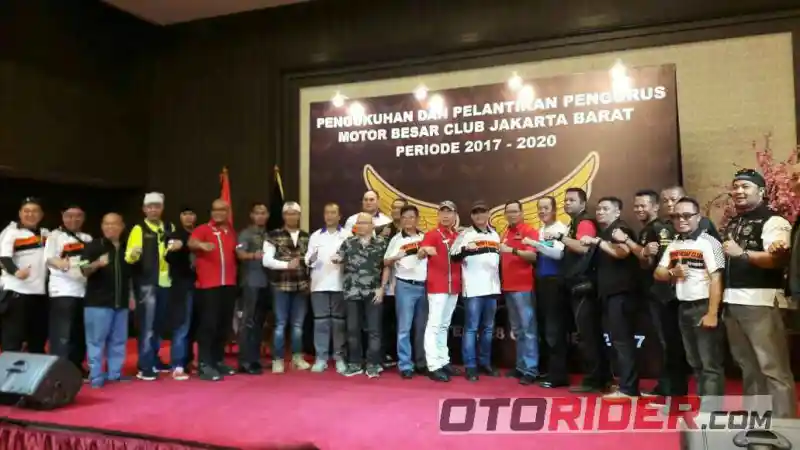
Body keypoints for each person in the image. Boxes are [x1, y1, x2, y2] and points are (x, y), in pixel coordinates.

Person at [721, 169, 795, 418]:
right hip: (732, 301)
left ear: (761, 191)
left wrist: (742, 254)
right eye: (736, 186)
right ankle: (758, 419)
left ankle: (785, 424)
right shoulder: (734, 222)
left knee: (773, 367)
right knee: (748, 366)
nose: (739, 191)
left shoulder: (774, 221)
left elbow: (777, 259)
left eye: (745, 186)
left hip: (761, 301)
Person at [654, 197, 725, 405]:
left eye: (686, 215)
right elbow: (658, 273)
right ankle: (705, 406)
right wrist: (671, 272)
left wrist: (712, 313)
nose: (681, 220)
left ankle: (712, 411)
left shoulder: (709, 242)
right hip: (683, 307)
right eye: (676, 216)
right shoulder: (675, 243)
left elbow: (717, 279)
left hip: (704, 306)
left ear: (698, 217)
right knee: (695, 362)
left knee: (710, 363)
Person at [583, 197, 640, 398]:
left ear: (617, 212)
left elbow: (622, 253)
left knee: (622, 341)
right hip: (609, 294)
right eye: (598, 209)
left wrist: (598, 242)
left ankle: (629, 388)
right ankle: (626, 384)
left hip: (621, 293)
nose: (600, 212)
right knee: (618, 341)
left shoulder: (620, 229)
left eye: (605, 209)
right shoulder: (607, 232)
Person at [555, 188, 611, 393]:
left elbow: (583, 247)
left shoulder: (584, 222)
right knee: (588, 335)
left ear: (583, 203)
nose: (567, 203)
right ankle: (600, 378)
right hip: (577, 286)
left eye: (572, 200)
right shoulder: (575, 222)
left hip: (584, 287)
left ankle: (596, 380)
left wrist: (560, 237)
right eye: (565, 200)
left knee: (589, 336)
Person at [126, 192, 177, 380]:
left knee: (159, 325)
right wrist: (134, 254)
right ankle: (145, 365)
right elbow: (129, 258)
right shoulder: (139, 229)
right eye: (150, 207)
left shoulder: (169, 227)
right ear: (144, 209)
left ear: (162, 208)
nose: (153, 210)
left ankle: (154, 358)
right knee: (147, 326)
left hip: (166, 281)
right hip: (147, 282)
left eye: (157, 206)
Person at [80, 213, 133, 388]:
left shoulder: (127, 248)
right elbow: (83, 270)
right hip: (97, 303)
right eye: (106, 224)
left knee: (119, 341)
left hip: (121, 302)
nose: (110, 227)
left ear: (122, 226)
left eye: (114, 224)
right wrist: (97, 264)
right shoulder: (94, 246)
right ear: (102, 226)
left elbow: (130, 276)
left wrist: (131, 296)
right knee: (96, 342)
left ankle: (115, 374)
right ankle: (95, 376)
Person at [333, 212, 389, 378]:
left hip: (373, 291)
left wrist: (382, 288)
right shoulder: (349, 242)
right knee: (352, 329)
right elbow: (339, 257)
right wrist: (336, 259)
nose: (361, 226)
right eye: (359, 223)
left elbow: (387, 266)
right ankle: (355, 363)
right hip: (352, 291)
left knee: (374, 330)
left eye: (365, 223)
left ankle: (373, 364)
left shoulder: (382, 243)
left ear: (372, 226)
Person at [188, 199, 239, 381]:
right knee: (208, 325)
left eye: (222, 210)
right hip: (209, 286)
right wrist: (201, 245)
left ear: (227, 212)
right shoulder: (203, 229)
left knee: (223, 326)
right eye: (215, 210)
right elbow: (191, 242)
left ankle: (217, 361)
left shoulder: (230, 231)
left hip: (228, 284)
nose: (218, 213)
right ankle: (204, 364)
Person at [451, 201, 501, 382]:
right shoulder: (465, 234)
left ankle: (484, 363)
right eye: (476, 213)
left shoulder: (495, 234)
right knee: (471, 328)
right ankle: (471, 366)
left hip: (492, 287)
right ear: (472, 216)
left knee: (488, 329)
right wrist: (465, 249)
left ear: (488, 214)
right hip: (473, 288)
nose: (480, 216)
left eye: (483, 212)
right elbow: (453, 255)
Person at [262, 202, 311, 373]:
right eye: (288, 213)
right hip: (280, 285)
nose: (291, 216)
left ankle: (297, 358)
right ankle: (278, 359)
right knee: (280, 324)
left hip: (301, 285)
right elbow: (266, 260)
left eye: (295, 213)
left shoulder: (306, 237)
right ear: (284, 216)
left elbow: (311, 260)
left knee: (298, 325)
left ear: (299, 215)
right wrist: (286, 265)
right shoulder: (272, 236)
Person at [45, 204, 92, 375]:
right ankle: (59, 371)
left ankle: (76, 367)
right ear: (62, 216)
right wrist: (62, 264)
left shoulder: (87, 238)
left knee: (79, 333)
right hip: (62, 291)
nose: (74, 219)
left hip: (83, 290)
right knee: (62, 334)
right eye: (69, 215)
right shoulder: (54, 236)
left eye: (78, 215)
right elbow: (49, 258)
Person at [383, 204, 428, 379]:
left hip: (424, 286)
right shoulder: (396, 239)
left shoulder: (425, 237)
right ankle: (405, 364)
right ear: (400, 220)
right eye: (405, 217)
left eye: (411, 217)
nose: (408, 220)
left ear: (417, 219)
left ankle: (421, 362)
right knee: (404, 328)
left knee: (421, 327)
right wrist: (396, 257)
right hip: (404, 286)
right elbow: (386, 262)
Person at [529, 197, 569, 388]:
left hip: (555, 282)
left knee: (555, 330)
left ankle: (558, 376)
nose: (542, 211)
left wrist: (536, 244)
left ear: (554, 210)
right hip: (542, 282)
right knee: (545, 329)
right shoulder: (541, 230)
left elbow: (559, 254)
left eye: (546, 208)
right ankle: (547, 371)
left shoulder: (560, 229)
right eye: (540, 208)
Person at [499, 200, 540, 385]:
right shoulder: (506, 232)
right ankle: (521, 366)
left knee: (528, 330)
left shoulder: (529, 231)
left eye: (515, 211)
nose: (512, 214)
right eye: (509, 212)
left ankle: (531, 369)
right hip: (508, 287)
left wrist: (512, 250)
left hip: (524, 287)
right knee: (518, 330)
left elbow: (533, 256)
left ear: (522, 213)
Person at [0, 197, 49, 353]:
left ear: (41, 214)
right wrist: (16, 272)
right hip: (17, 292)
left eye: (35, 211)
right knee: (12, 341)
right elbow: (3, 257)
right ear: (20, 213)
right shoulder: (11, 232)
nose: (30, 214)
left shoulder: (46, 234)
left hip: (39, 294)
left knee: (38, 342)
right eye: (26, 211)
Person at [421, 201, 462, 382]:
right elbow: (422, 251)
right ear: (438, 215)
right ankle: (433, 365)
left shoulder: (457, 236)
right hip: (437, 285)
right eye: (442, 212)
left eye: (449, 212)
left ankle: (443, 360)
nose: (445, 216)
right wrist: (424, 251)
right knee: (434, 325)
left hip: (454, 286)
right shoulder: (432, 234)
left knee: (445, 325)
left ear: (455, 215)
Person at [306, 202, 348, 374]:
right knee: (321, 322)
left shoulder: (347, 235)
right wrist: (311, 258)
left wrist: (343, 259)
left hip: (340, 283)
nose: (330, 216)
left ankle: (339, 357)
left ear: (339, 216)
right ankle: (321, 358)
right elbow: (308, 259)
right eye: (327, 213)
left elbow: (353, 258)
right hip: (319, 284)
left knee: (339, 323)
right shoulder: (315, 236)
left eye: (333, 212)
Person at [236, 202, 271, 374]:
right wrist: (253, 255)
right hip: (250, 282)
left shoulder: (269, 235)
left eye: (263, 213)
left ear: (268, 215)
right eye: (257, 213)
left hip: (266, 283)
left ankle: (255, 359)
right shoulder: (245, 234)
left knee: (259, 323)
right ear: (251, 215)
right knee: (247, 322)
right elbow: (240, 254)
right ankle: (244, 361)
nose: (260, 216)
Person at [165, 206, 197, 379]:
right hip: (181, 285)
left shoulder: (199, 234)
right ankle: (177, 364)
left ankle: (188, 361)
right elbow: (168, 257)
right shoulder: (175, 236)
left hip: (199, 284)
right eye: (185, 214)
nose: (188, 217)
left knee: (193, 326)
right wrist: (179, 246)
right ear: (180, 217)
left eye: (191, 214)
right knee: (182, 325)